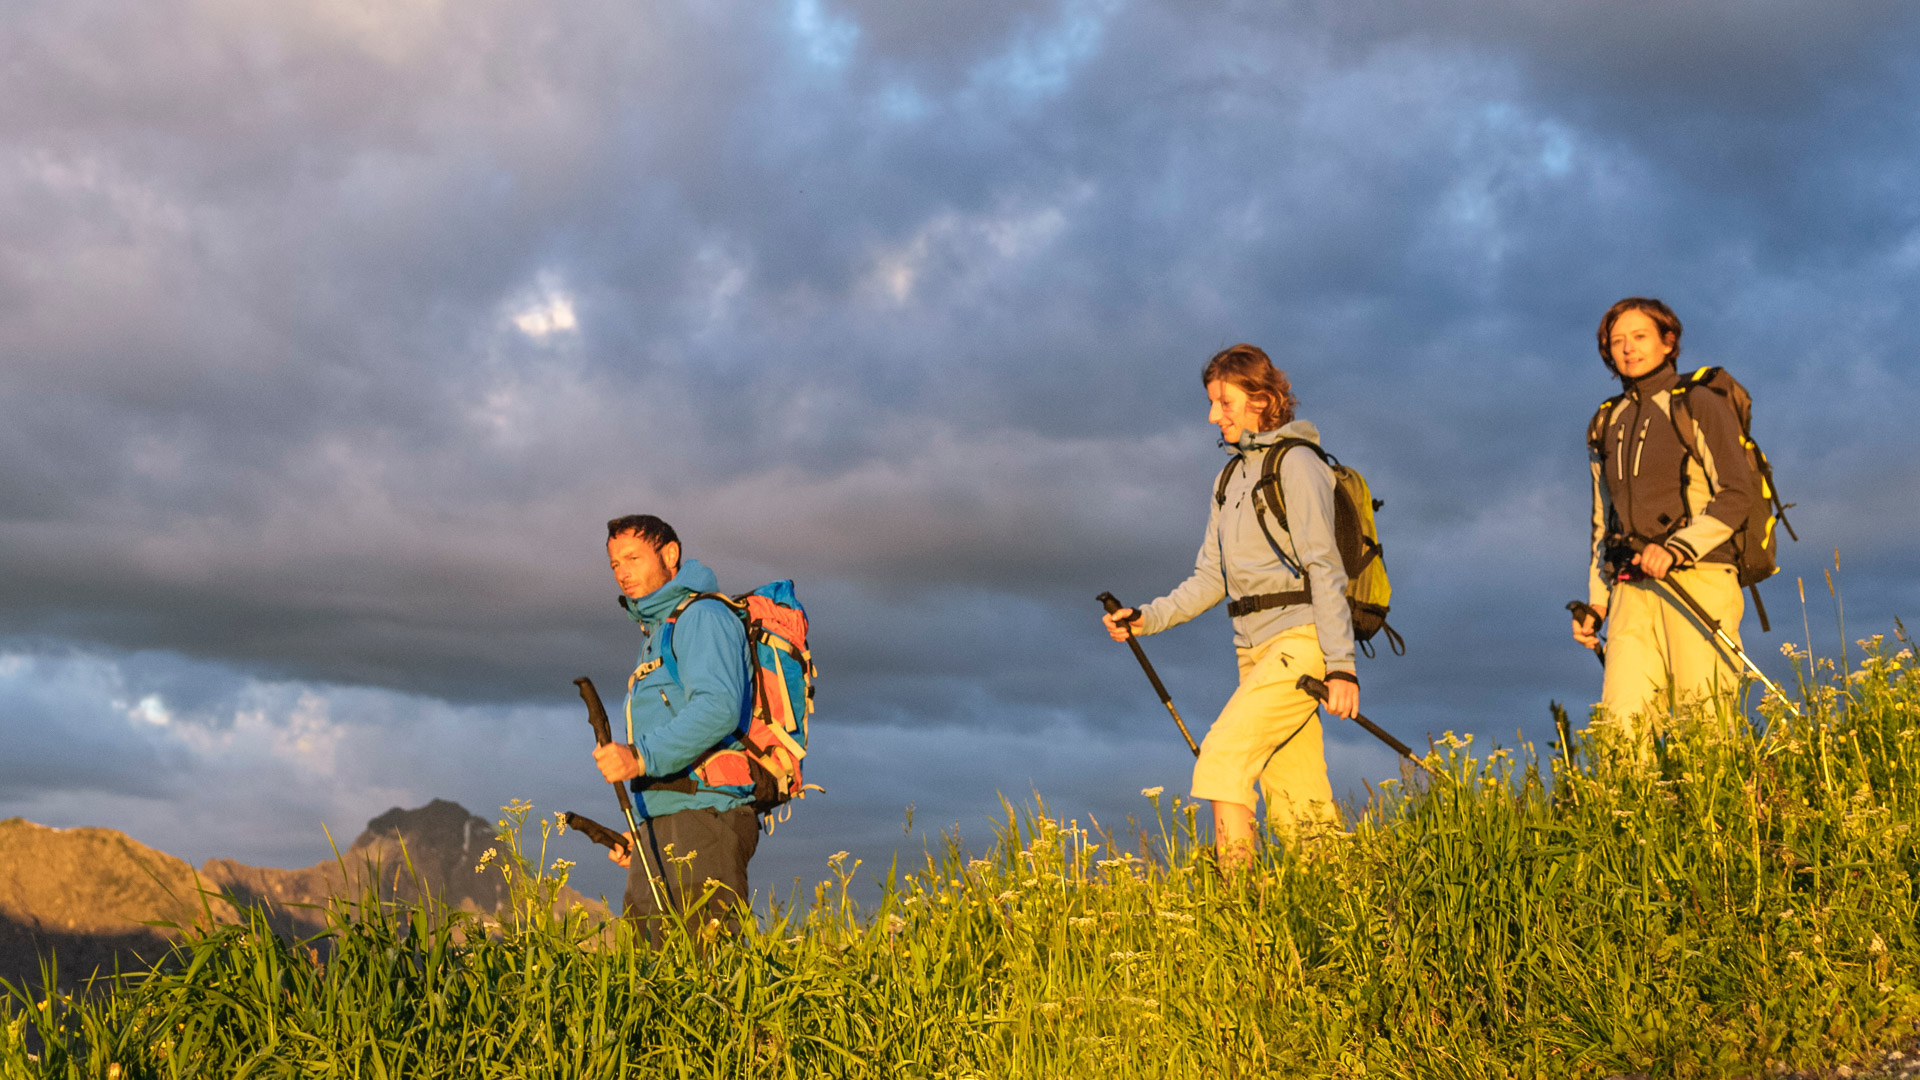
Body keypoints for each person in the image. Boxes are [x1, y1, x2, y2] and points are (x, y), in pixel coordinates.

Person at [1103, 344, 1359, 870]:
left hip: (1303, 642)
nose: (1213, 414)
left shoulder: (1299, 463)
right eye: (1212, 402)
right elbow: (1209, 579)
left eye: (1224, 401)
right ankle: (1346, 909)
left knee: (1222, 756)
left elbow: (1324, 567)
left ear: (1262, 400)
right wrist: (1146, 618)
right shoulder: (1228, 480)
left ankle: (1237, 907)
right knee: (1298, 802)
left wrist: (1342, 667)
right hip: (1255, 650)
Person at [1571, 298, 1759, 736]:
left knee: (1706, 727)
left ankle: (1723, 802)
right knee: (1621, 731)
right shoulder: (1605, 421)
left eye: (1640, 337)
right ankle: (1631, 806)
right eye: (1617, 341)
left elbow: (1735, 493)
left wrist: (1676, 548)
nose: (1628, 349)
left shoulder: (1698, 402)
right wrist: (1596, 603)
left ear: (1667, 341)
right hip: (1630, 591)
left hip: (1699, 580)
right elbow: (1604, 521)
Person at [592, 514, 758, 945]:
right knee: (653, 980)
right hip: (666, 822)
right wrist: (645, 830)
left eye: (632, 557)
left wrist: (640, 757)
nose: (622, 572)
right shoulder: (657, 632)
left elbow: (718, 707)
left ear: (670, 554)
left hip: (705, 818)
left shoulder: (702, 616)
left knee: (708, 974)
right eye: (614, 564)